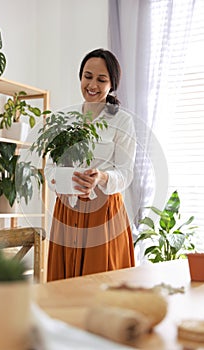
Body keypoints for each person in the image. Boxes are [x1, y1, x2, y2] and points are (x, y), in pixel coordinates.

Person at [45, 48, 136, 281]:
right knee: (64, 291)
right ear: (80, 77)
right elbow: (49, 170)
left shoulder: (122, 120)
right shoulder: (65, 119)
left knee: (101, 287)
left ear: (111, 84)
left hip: (104, 213)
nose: (92, 84)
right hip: (67, 209)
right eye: (88, 76)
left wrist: (101, 177)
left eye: (101, 79)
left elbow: (126, 172)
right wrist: (69, 179)